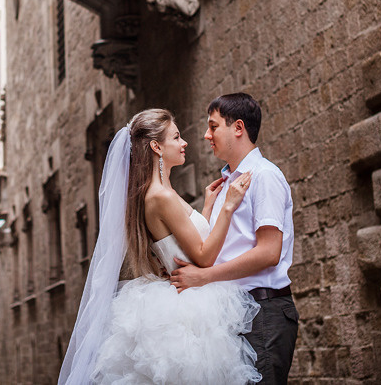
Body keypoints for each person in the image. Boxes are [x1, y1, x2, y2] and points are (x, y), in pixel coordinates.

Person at [59, 108, 262, 385]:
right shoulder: (161, 196)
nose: (184, 142)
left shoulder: (160, 192)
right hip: (186, 308)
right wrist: (228, 206)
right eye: (176, 137)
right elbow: (203, 257)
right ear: (156, 146)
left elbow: (181, 243)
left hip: (181, 296)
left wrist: (206, 208)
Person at [170, 93, 298, 385]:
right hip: (234, 314)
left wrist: (204, 277)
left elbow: (269, 252)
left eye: (213, 127)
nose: (206, 135)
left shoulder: (264, 176)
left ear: (238, 127)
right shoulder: (226, 184)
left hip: (263, 312)